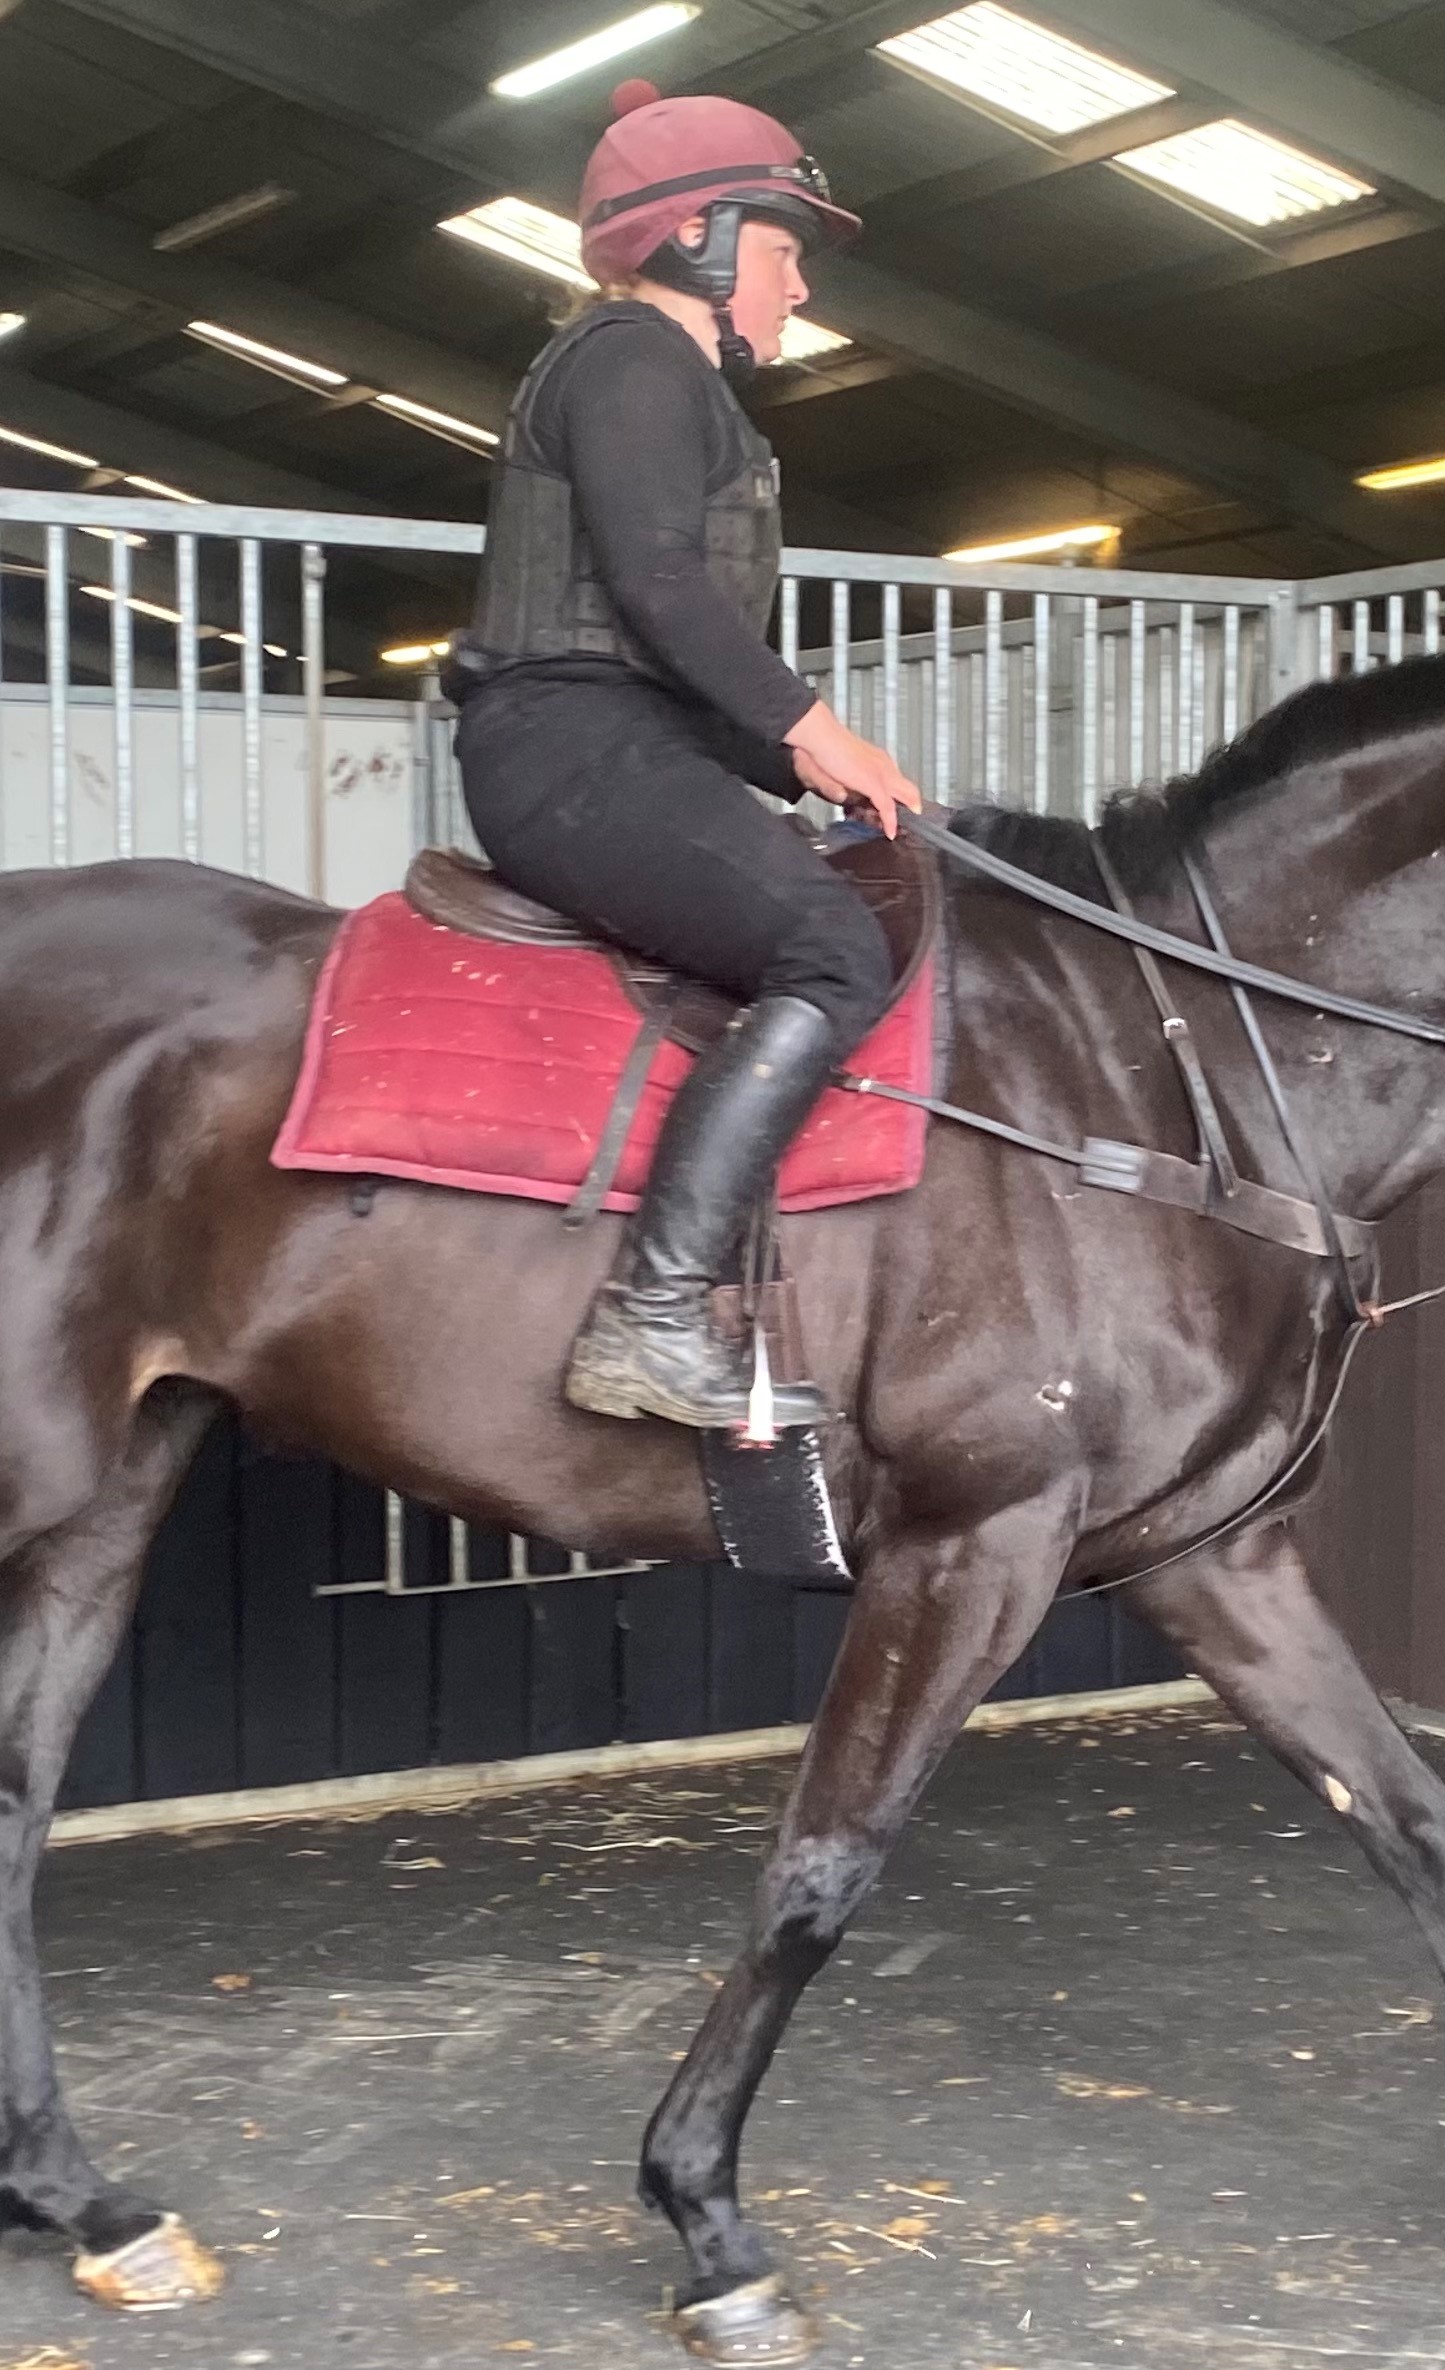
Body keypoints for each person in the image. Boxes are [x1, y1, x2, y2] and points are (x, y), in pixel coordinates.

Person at [445, 79, 921, 1432]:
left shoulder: (666, 382)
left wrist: (813, 774)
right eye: (784, 257)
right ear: (701, 236)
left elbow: (660, 641)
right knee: (833, 952)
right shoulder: (631, 363)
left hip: (621, 739)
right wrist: (808, 724)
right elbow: (657, 586)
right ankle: (653, 1315)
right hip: (569, 749)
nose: (797, 295)